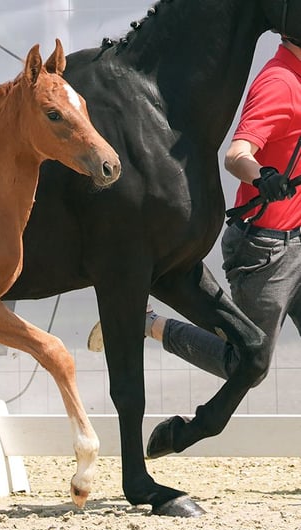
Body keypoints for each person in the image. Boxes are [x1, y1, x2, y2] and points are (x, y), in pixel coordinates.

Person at [88, 34, 301, 382]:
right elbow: (237, 155)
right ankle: (149, 324)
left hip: (297, 240)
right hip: (266, 250)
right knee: (245, 363)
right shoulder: (280, 83)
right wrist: (264, 177)